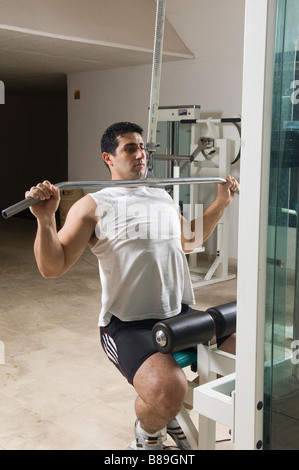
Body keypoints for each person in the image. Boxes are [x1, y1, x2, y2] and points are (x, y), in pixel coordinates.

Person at [25, 121, 239, 450]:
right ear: (108, 158)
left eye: (142, 148)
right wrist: (45, 219)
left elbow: (190, 239)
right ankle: (148, 432)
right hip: (127, 325)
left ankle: (169, 414)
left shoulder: (161, 197)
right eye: (130, 148)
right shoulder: (93, 206)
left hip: (178, 314)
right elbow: (52, 268)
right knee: (169, 388)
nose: (141, 154)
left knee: (243, 354)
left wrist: (221, 202)